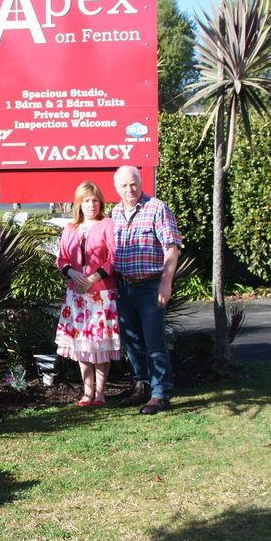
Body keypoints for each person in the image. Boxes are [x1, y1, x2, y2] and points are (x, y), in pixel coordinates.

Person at [111, 165, 182, 414]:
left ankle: (160, 393)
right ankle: (140, 386)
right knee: (132, 343)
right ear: (116, 188)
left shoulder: (156, 208)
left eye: (133, 184)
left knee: (154, 341)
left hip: (151, 285)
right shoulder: (116, 212)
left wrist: (166, 281)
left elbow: (171, 247)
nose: (129, 189)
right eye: (123, 185)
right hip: (124, 286)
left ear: (141, 183)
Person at [55, 181, 121, 406]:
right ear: (79, 204)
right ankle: (87, 392)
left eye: (95, 200)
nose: (91, 204)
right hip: (77, 296)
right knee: (82, 345)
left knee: (100, 345)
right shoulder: (70, 228)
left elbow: (113, 258)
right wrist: (73, 274)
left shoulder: (107, 224)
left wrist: (93, 278)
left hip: (101, 295)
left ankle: (100, 393)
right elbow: (61, 259)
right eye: (86, 200)